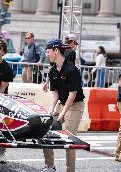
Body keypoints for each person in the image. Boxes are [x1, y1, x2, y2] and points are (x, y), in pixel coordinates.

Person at [42, 39, 85, 172]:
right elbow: (55, 95)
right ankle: (49, 165)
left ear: (56, 51)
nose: (47, 54)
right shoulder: (52, 70)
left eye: (48, 51)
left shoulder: (72, 70)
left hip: (75, 106)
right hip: (62, 104)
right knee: (46, 132)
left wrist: (61, 115)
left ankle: (70, 170)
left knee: (68, 138)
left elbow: (72, 96)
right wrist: (51, 113)